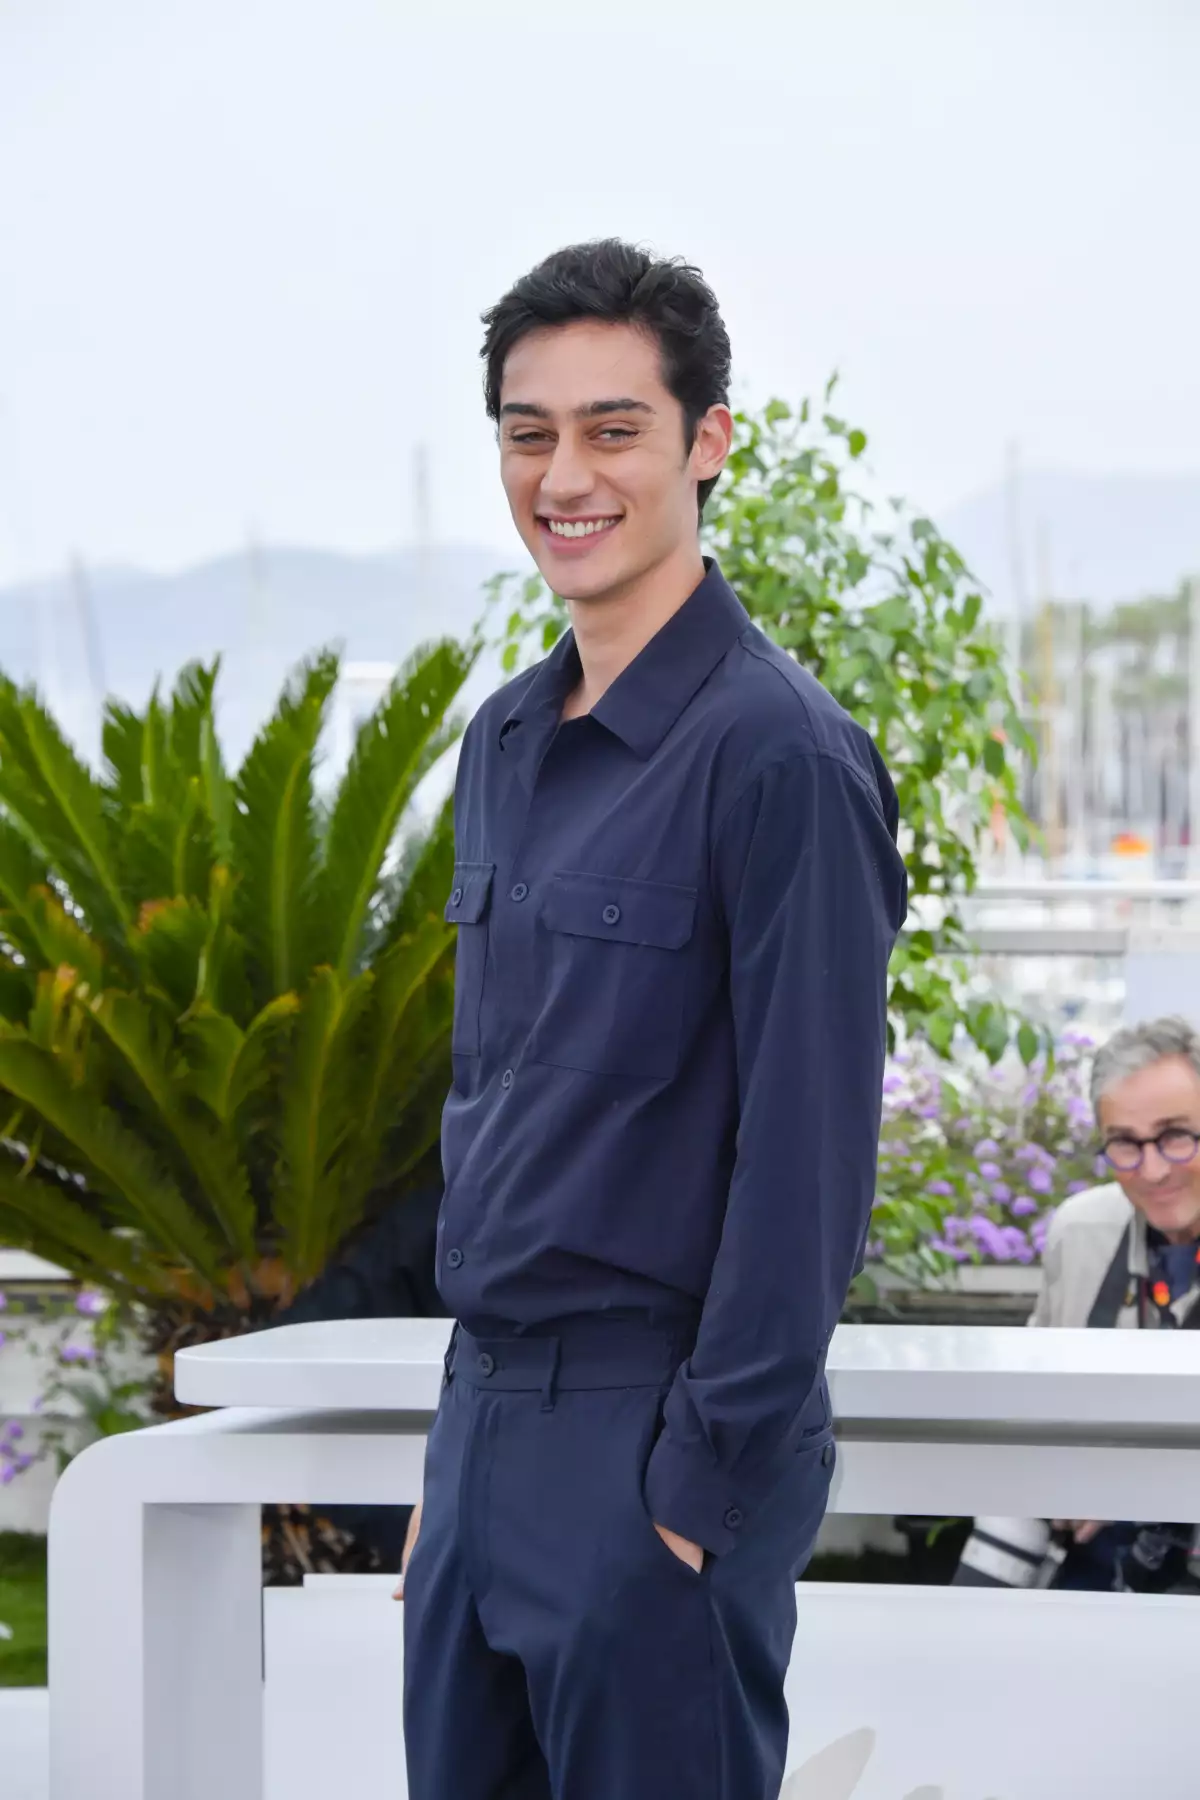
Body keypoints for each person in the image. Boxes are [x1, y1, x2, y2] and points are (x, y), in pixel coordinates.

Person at [399, 238, 907, 1800]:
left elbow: (806, 1167)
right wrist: (458, 1460)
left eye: (614, 429)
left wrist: (690, 1490)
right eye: (527, 431)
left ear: (707, 442)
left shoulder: (780, 760)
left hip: (653, 1447)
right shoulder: (502, 741)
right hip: (486, 1428)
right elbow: (504, 1109)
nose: (566, 475)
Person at [954, 1014, 1200, 1595]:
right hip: (1090, 1551)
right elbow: (1039, 1413)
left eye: (1176, 1135)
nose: (1155, 1169)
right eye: (1125, 1143)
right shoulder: (1084, 1231)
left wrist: (1135, 1475)